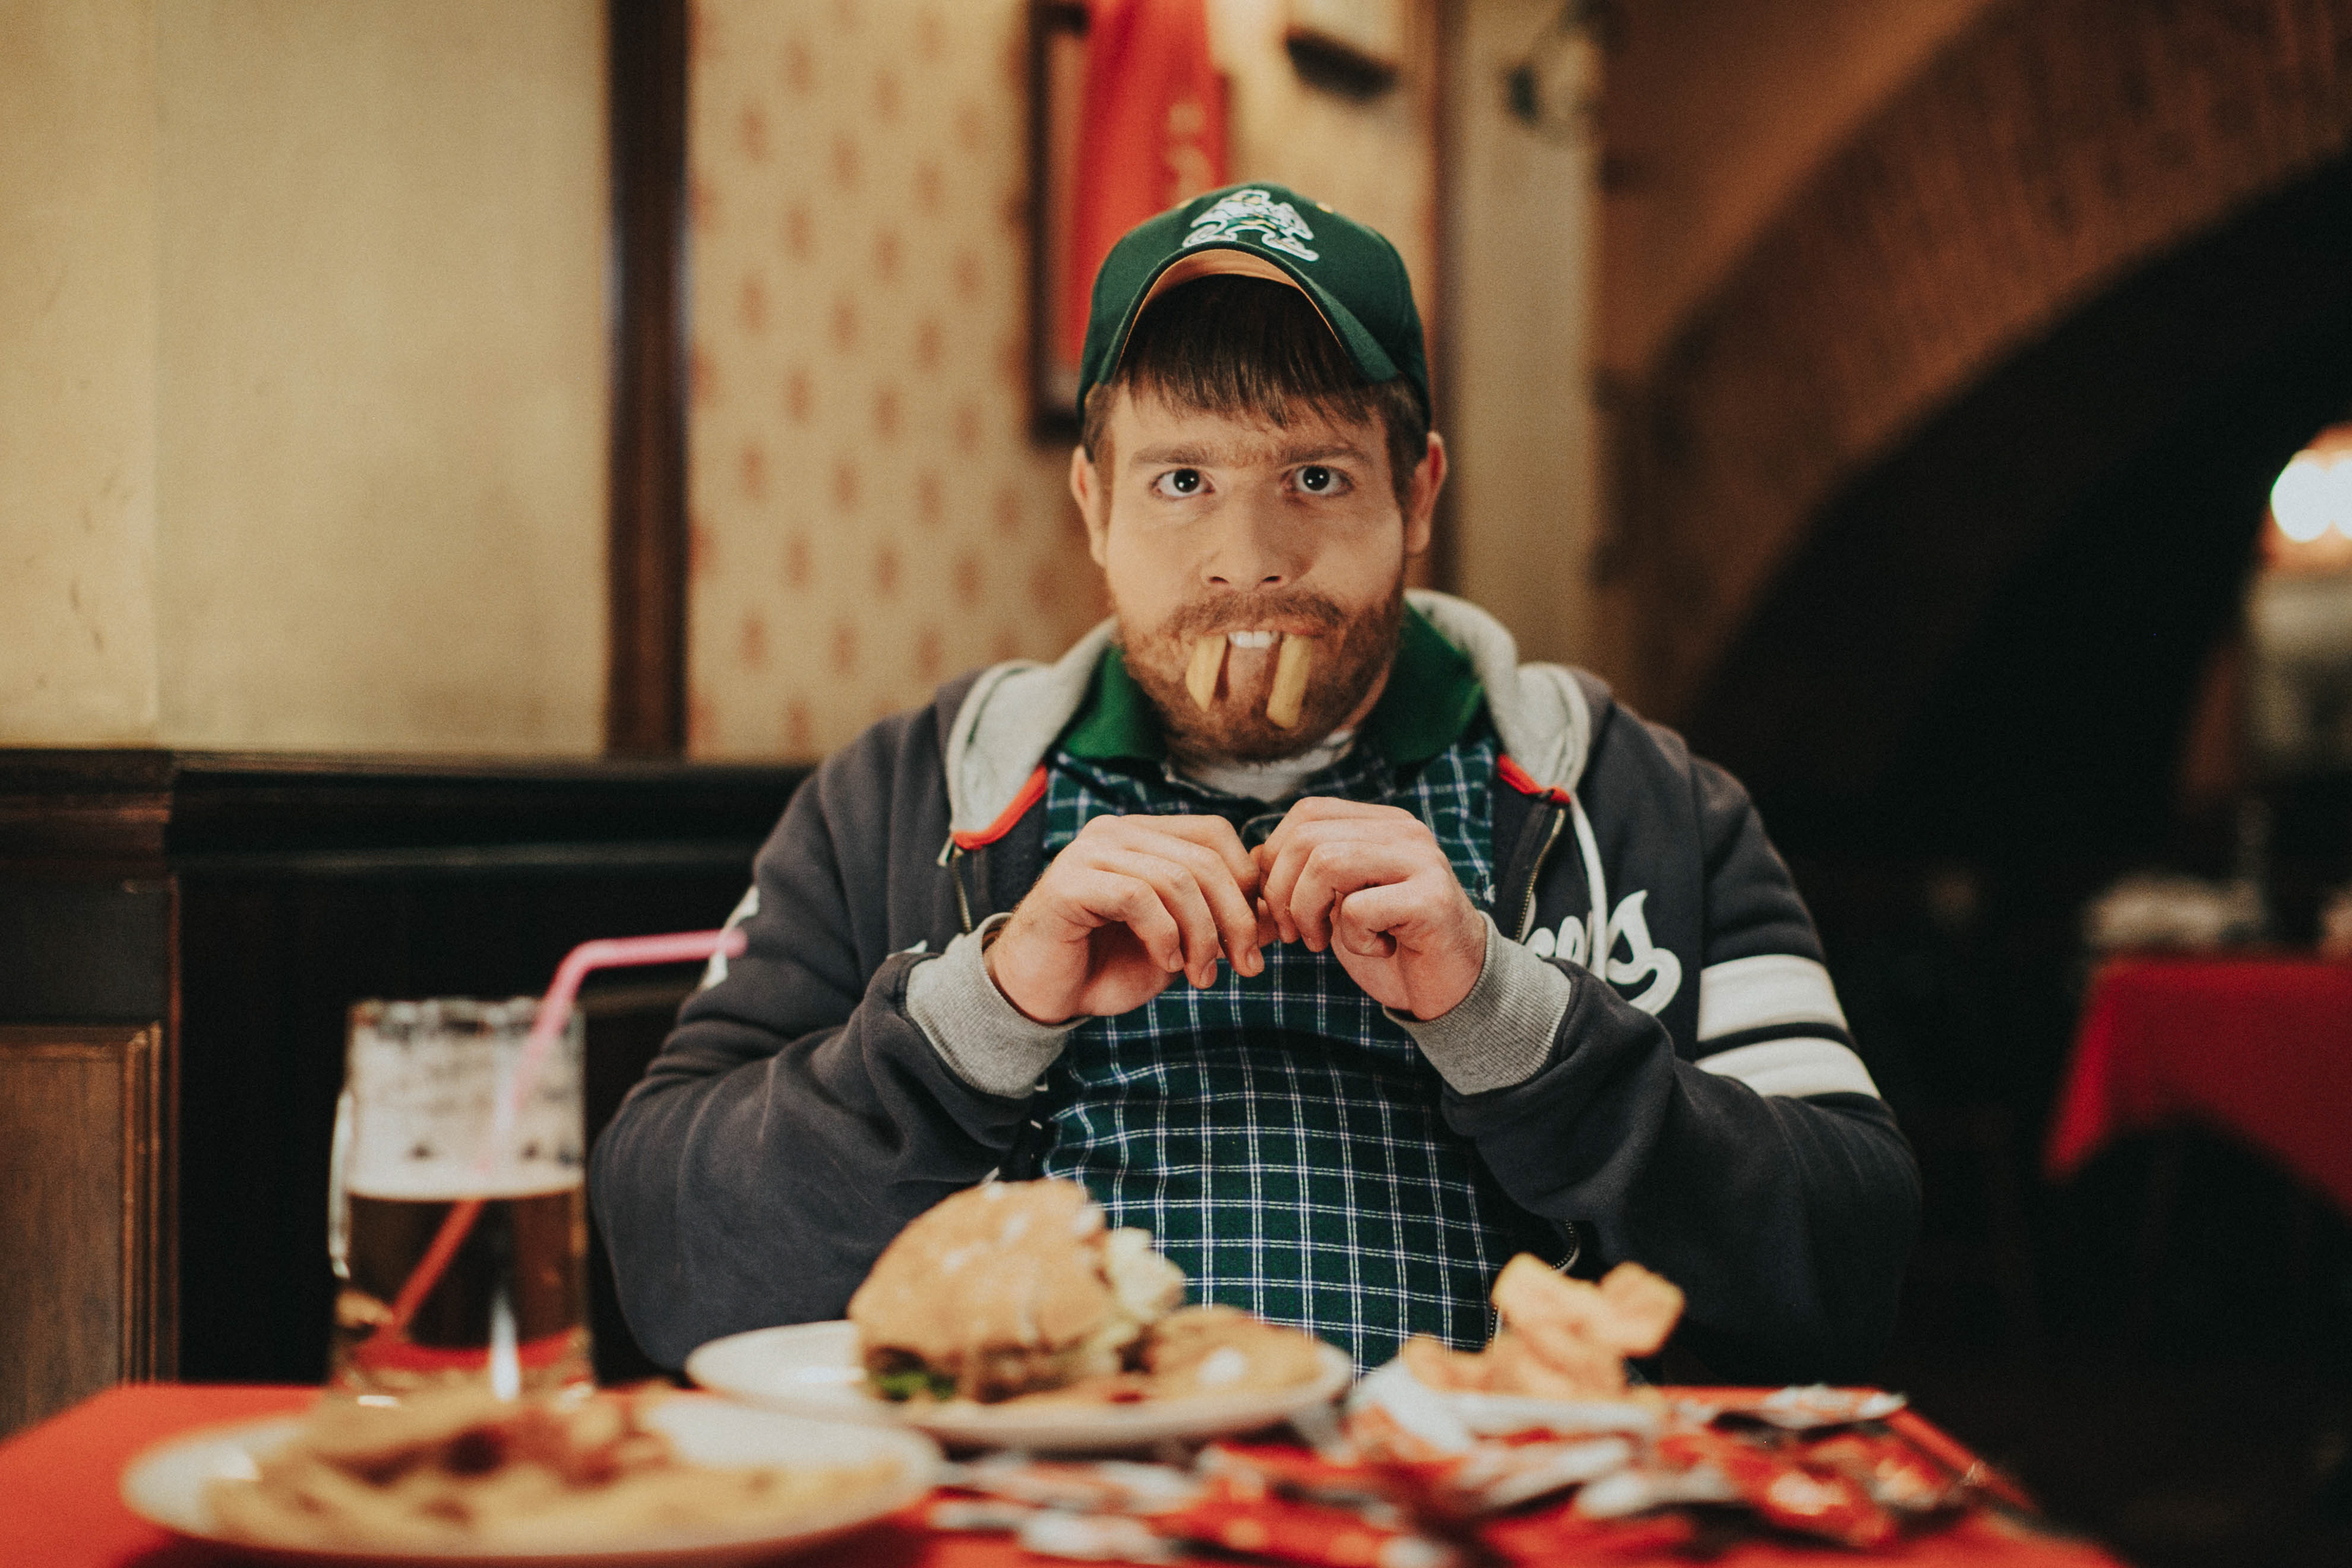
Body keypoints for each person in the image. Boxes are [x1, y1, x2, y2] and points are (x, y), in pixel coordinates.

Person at [591, 183, 1919, 1380]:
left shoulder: (1646, 800)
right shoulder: (900, 798)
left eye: (1316, 476)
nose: (1247, 561)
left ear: (1419, 493)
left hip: (1497, 1507)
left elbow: (1852, 1264)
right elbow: (665, 1250)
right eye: (1182, 479)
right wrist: (982, 1014)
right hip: (1042, 1507)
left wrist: (1507, 1016)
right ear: (1093, 502)